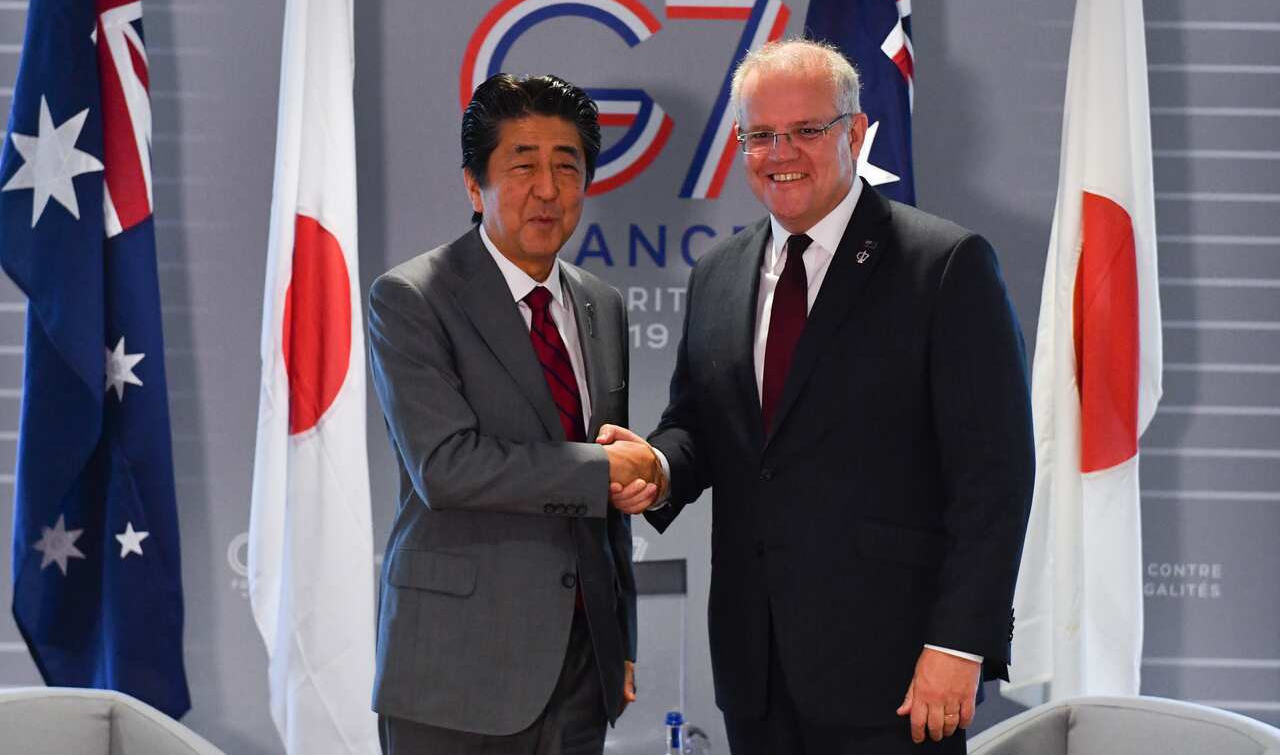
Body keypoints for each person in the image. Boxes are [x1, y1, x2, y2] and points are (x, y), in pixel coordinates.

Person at [602, 39, 1035, 753]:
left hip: (898, 674)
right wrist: (658, 467)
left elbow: (996, 476)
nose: (783, 152)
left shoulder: (944, 266)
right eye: (762, 135)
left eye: (807, 130)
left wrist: (959, 646)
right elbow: (701, 425)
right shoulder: (718, 273)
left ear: (856, 133)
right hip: (754, 669)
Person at [368, 73, 662, 754]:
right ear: (475, 185)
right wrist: (602, 469)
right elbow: (445, 467)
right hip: (455, 673)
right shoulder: (414, 297)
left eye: (568, 166)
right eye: (522, 165)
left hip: (583, 670)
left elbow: (604, 502)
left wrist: (620, 637)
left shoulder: (602, 304)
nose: (548, 188)